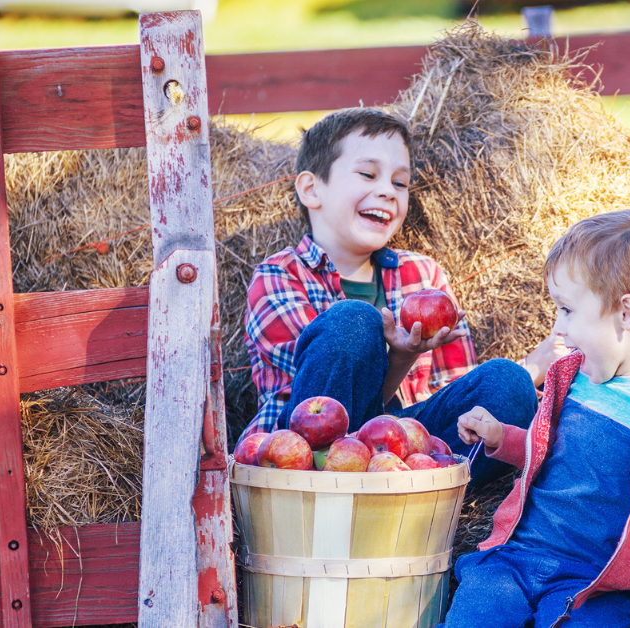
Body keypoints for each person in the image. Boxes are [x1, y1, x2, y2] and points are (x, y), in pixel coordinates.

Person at [239, 107, 563, 486]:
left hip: (403, 451)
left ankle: (414, 502)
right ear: (312, 189)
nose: (387, 191)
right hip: (311, 459)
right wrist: (400, 359)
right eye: (367, 174)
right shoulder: (279, 276)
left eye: (400, 183)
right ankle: (330, 503)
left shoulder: (423, 275)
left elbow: (456, 397)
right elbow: (320, 408)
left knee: (507, 383)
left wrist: (528, 369)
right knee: (353, 321)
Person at [444, 210, 630, 628]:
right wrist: (501, 438)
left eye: (567, 310)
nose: (558, 328)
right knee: (475, 615)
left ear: (627, 313)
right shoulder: (572, 376)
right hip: (516, 560)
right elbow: (551, 453)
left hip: (595, 584)